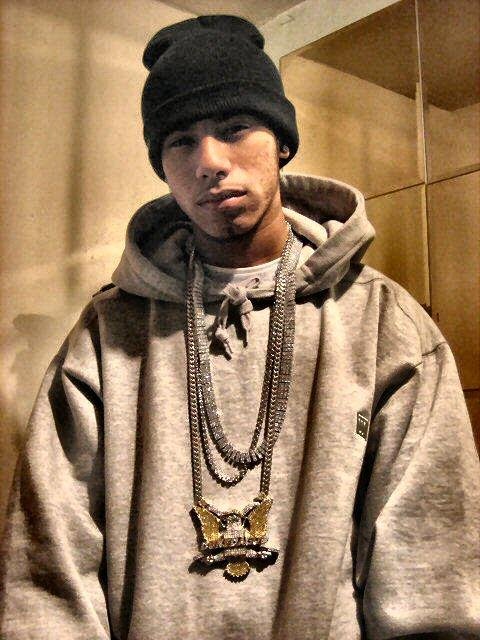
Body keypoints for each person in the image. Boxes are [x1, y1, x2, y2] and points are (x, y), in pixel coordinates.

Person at [1, 14, 479, 640]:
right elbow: (47, 571)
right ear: (162, 166)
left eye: (234, 129)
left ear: (282, 142)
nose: (209, 161)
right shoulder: (107, 333)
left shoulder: (385, 324)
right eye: (181, 141)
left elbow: (433, 574)